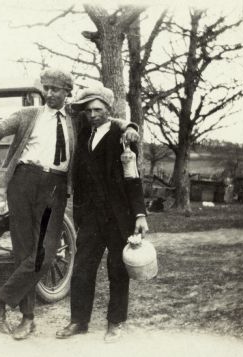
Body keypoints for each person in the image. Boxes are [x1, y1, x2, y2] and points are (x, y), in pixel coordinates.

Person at [0, 69, 138, 340]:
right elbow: (0, 127)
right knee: (24, 252)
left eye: (56, 89)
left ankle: (0, 300)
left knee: (45, 253)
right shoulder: (29, 115)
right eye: (46, 88)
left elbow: (108, 117)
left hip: (54, 187)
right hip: (23, 182)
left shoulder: (77, 118)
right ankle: (27, 319)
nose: (49, 93)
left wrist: (129, 126)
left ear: (67, 93)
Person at [55, 85, 149, 342]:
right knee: (82, 269)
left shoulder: (123, 137)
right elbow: (70, 110)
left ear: (109, 110)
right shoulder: (84, 132)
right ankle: (78, 321)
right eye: (89, 110)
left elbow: (133, 179)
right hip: (90, 218)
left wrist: (140, 215)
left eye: (98, 109)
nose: (93, 114)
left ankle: (115, 322)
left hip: (119, 217)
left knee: (117, 270)